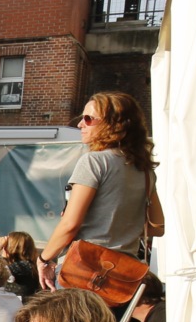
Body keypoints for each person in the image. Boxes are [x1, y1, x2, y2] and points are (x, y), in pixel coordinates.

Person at [38, 92, 164, 289]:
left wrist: (43, 259)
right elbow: (158, 226)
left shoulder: (94, 161)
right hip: (123, 276)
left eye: (88, 119)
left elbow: (70, 225)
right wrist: (118, 226)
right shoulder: (145, 171)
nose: (80, 124)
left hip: (84, 268)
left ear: (113, 124)